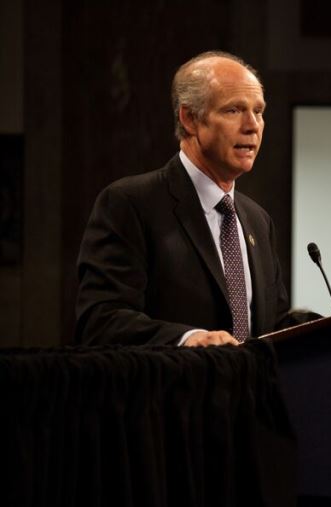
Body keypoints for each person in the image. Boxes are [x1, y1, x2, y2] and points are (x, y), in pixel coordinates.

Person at [75, 51, 289, 346]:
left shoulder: (257, 220)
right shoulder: (131, 204)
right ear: (189, 118)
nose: (252, 125)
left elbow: (273, 324)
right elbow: (100, 319)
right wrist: (189, 339)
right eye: (233, 110)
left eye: (259, 111)